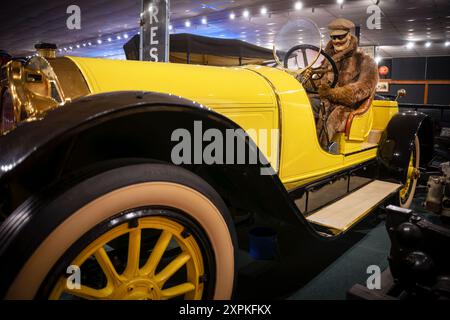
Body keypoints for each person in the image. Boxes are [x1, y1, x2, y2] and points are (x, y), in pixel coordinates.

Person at [314, 18, 379, 150]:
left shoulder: (364, 60)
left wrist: (333, 94)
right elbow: (317, 80)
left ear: (349, 36)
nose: (337, 41)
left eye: (340, 37)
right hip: (325, 101)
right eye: (333, 37)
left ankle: (321, 150)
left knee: (333, 117)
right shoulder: (328, 60)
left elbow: (365, 87)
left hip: (348, 106)